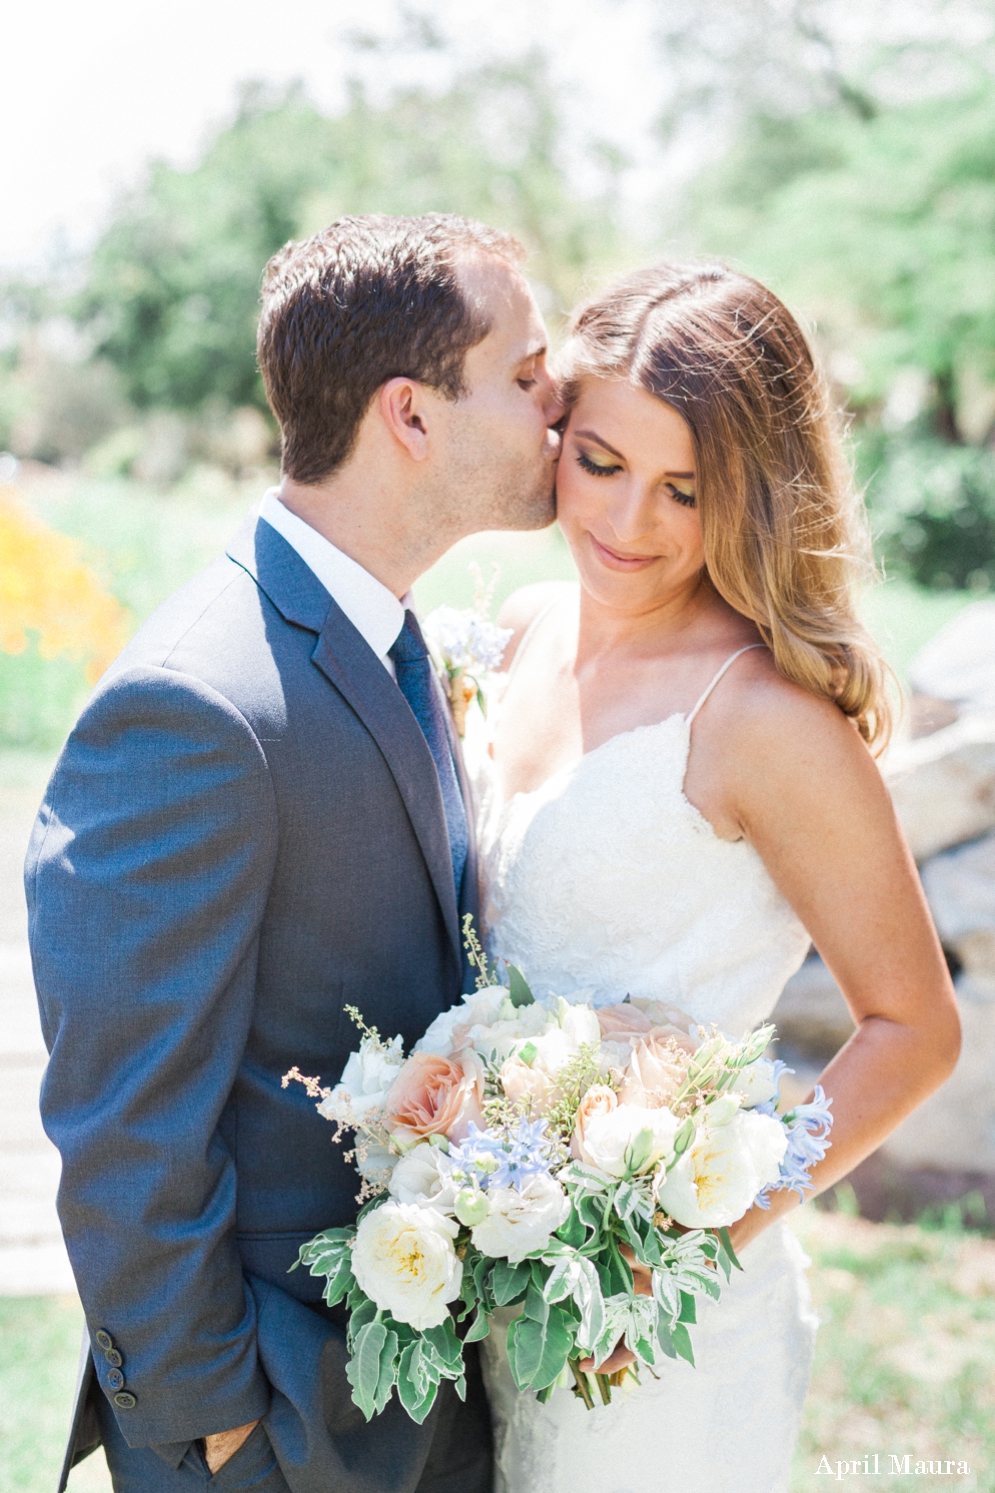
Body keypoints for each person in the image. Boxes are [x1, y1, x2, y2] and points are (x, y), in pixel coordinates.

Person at [26, 213, 562, 1493]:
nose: (563, 397)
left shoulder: (388, 632)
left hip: (411, 1399)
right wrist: (209, 1423)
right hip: (272, 1428)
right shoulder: (196, 704)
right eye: (527, 373)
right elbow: (124, 1123)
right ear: (411, 415)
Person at [477, 262, 961, 1493]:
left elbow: (912, 1030)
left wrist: (689, 1230)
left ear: (748, 495)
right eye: (600, 463)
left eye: (682, 489)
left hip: (662, 1333)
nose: (627, 522)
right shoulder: (516, 630)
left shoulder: (762, 718)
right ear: (555, 433)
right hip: (483, 1279)